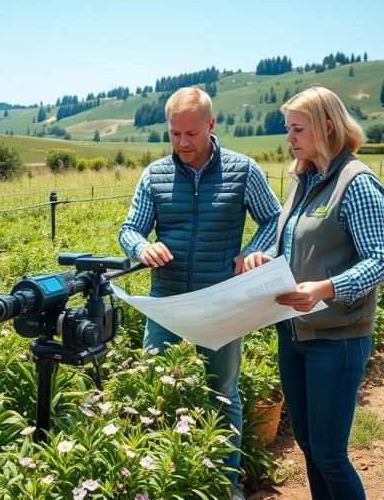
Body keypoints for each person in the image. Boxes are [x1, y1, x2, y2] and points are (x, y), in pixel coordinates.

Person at [119, 86, 281, 498]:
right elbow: (130, 228)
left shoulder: (242, 171)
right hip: (167, 304)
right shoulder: (154, 175)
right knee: (153, 390)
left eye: (191, 134)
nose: (182, 143)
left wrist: (254, 251)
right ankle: (155, 484)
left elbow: (273, 220)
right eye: (175, 134)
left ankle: (226, 487)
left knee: (222, 395)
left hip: (221, 303)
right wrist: (142, 246)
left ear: (210, 125)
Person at [242, 85, 384, 500]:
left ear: (327, 128)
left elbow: (381, 261)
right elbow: (289, 243)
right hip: (293, 335)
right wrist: (261, 258)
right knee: (309, 449)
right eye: (287, 129)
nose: (288, 138)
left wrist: (327, 288)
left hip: (336, 339)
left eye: (297, 129)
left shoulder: (355, 183)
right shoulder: (302, 179)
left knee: (330, 455)